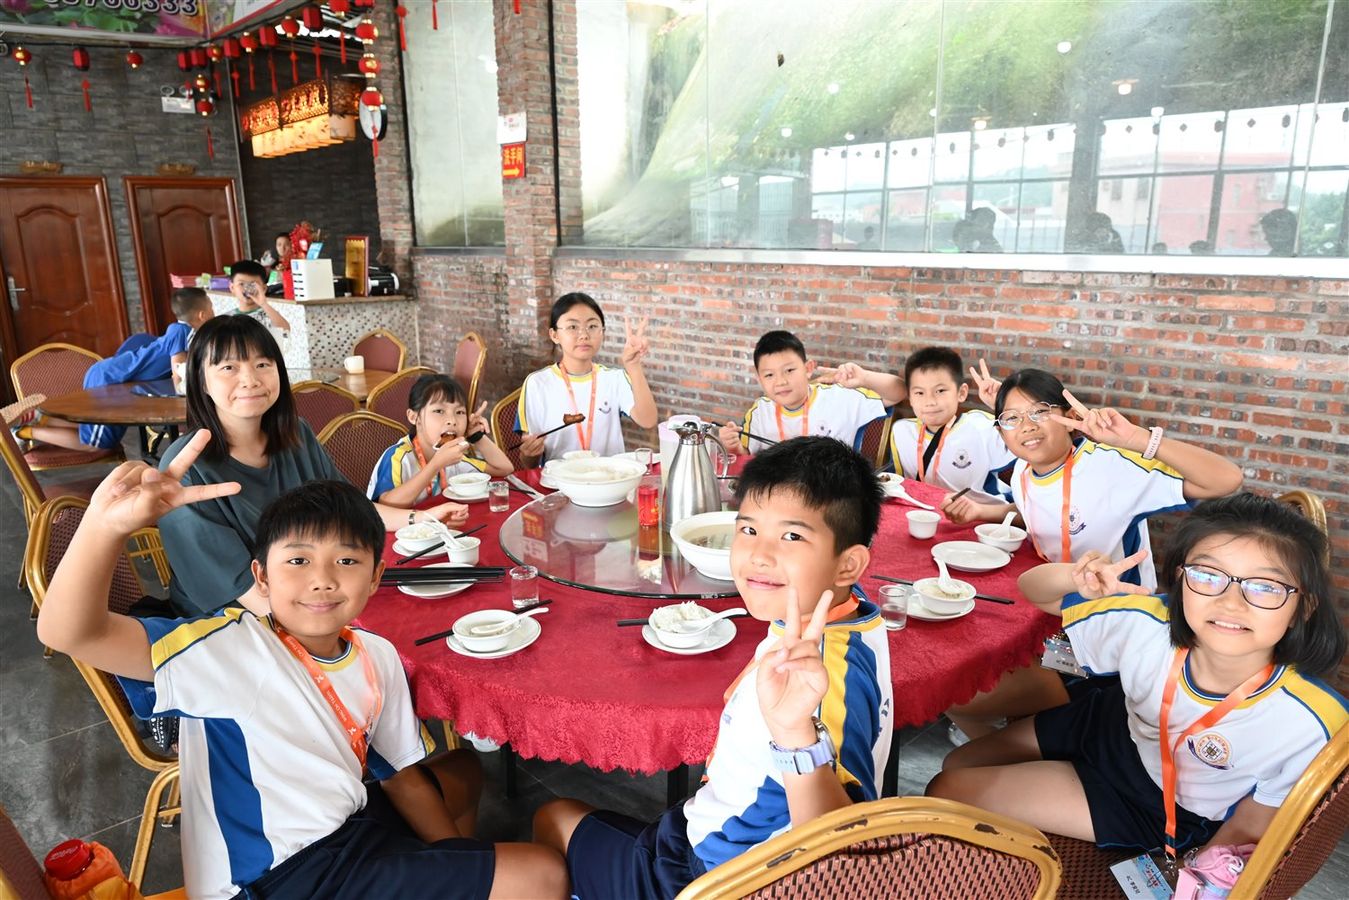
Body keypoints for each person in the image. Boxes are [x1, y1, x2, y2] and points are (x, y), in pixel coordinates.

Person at [35, 462, 568, 900]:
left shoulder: (377, 654)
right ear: (261, 577)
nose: (322, 579)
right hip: (272, 880)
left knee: (463, 772)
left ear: (376, 576)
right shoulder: (225, 649)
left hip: (344, 833)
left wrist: (455, 862)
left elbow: (400, 775)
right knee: (542, 875)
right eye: (297, 560)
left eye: (346, 559)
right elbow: (69, 632)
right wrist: (104, 527)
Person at [533, 436, 893, 898]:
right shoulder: (843, 613)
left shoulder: (825, 681)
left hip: (713, 876)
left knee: (553, 818)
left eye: (792, 536)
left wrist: (794, 734)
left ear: (848, 565)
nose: (759, 555)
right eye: (748, 529)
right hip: (711, 833)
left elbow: (845, 855)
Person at [929, 493, 1347, 856]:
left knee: (946, 790)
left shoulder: (1311, 724)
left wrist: (1195, 880)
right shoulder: (1147, 621)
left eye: (1266, 587)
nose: (1231, 602)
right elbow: (1035, 591)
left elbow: (1253, 823)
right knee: (958, 760)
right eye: (1207, 575)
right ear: (1180, 578)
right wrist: (1074, 577)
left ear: (1304, 607)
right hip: (1106, 723)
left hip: (1154, 804)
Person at [941, 364, 1244, 740]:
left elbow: (1225, 480)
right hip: (1056, 615)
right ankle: (1019, 734)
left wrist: (1137, 439)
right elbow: (1045, 512)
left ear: (1070, 417)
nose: (1028, 427)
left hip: (1114, 635)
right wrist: (986, 511)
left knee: (961, 691)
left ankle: (1039, 734)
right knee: (962, 661)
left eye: (1040, 412)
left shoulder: (1110, 466)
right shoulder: (1022, 472)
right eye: (1013, 419)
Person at [156, 315, 467, 617]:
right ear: (202, 381)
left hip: (312, 594)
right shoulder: (186, 469)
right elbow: (241, 588)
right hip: (233, 622)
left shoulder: (296, 434)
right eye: (229, 367)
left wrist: (421, 518)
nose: (250, 380)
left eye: (262, 364)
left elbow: (348, 509)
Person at [13, 288, 215, 452]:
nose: (214, 312)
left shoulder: (184, 332)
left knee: (92, 430)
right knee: (96, 444)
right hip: (108, 379)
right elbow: (178, 372)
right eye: (212, 308)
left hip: (112, 377)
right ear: (202, 314)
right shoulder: (180, 331)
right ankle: (25, 432)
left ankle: (38, 417)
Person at [516, 293, 657, 466]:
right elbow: (528, 464)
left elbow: (648, 420)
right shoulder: (537, 384)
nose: (584, 335)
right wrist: (530, 454)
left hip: (610, 477)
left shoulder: (614, 379)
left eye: (592, 326)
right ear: (554, 335)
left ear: (602, 332)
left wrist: (633, 366)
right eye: (572, 327)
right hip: (560, 479)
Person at [870, 347, 1013, 495]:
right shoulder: (902, 431)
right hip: (920, 508)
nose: (930, 401)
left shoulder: (982, 427)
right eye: (919, 392)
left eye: (940, 391)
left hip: (979, 509)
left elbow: (1025, 450)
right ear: (910, 398)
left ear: (961, 393)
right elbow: (898, 482)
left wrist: (1003, 406)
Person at [719, 331, 887, 456]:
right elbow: (747, 456)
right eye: (769, 375)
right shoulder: (760, 411)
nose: (781, 382)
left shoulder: (839, 398)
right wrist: (734, 446)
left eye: (789, 370)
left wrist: (864, 378)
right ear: (759, 379)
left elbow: (896, 394)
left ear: (808, 369)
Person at [368, 373, 513, 506]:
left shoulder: (454, 457)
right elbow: (385, 506)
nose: (452, 420)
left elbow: (504, 469)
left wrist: (476, 436)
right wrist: (436, 464)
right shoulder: (399, 457)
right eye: (439, 411)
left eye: (459, 412)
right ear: (414, 417)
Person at [228, 258, 291, 334]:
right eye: (241, 284)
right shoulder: (228, 319)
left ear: (263, 288)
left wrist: (264, 304)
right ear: (232, 288)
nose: (247, 289)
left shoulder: (269, 315)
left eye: (253, 285)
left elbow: (285, 330)